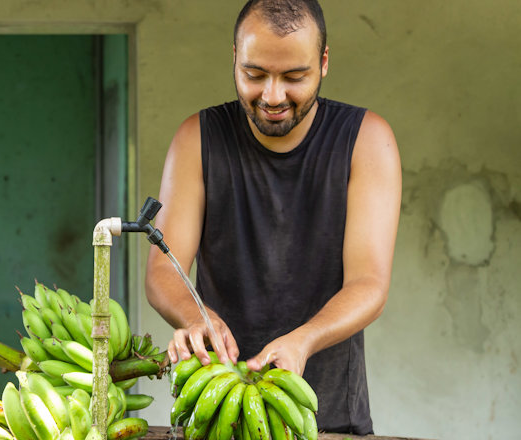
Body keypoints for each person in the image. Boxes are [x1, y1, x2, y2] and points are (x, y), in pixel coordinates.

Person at [145, 0, 400, 434]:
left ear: (323, 63)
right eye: (255, 74)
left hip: (329, 417)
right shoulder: (196, 139)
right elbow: (162, 270)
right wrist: (195, 316)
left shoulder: (367, 140)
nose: (273, 96)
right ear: (234, 59)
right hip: (215, 412)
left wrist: (304, 340)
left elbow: (369, 283)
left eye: (294, 77)